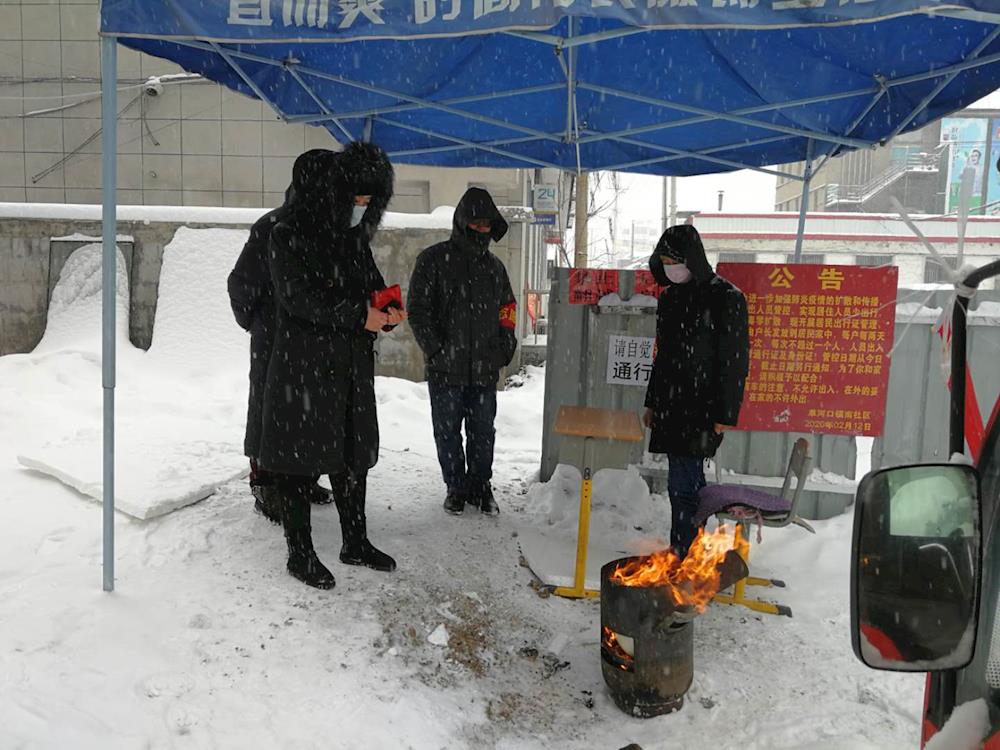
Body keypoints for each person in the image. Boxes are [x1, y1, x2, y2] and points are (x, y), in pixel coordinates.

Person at [258, 141, 403, 589]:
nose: (363, 207)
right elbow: (299, 298)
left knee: (352, 456)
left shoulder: (352, 237)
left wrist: (389, 305)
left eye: (369, 200)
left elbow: (370, 282)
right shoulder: (286, 231)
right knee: (299, 464)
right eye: (357, 198)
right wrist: (361, 315)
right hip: (303, 366)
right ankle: (299, 554)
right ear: (334, 193)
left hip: (351, 367)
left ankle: (354, 541)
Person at [227, 149, 334, 521]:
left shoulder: (330, 231)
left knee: (310, 411)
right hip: (275, 342)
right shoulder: (272, 227)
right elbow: (242, 285)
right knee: (269, 413)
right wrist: (259, 322)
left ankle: (303, 478)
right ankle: (266, 487)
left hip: (315, 343)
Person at [407, 188, 517, 516]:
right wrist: (437, 349)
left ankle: (481, 486)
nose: (483, 230)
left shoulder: (495, 268)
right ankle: (455, 486)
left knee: (483, 431)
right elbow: (418, 309)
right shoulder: (433, 260)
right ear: (463, 222)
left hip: (484, 369)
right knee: (447, 430)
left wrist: (503, 348)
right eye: (477, 223)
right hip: (445, 369)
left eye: (488, 224)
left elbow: (507, 310)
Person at [642, 225, 749, 558]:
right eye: (665, 260)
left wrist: (725, 414)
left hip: (702, 408)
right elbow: (662, 356)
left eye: (674, 259)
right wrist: (652, 403)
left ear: (692, 258)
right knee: (683, 483)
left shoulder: (727, 298)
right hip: (671, 405)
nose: (670, 266)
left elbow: (734, 362)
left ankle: (685, 552)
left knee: (684, 485)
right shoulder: (671, 298)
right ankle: (687, 548)